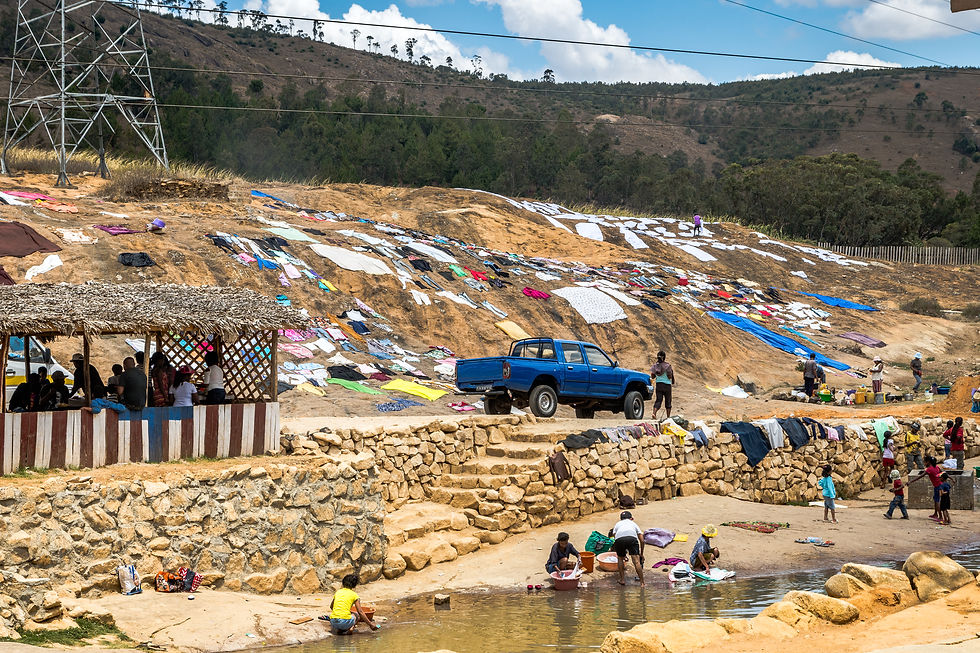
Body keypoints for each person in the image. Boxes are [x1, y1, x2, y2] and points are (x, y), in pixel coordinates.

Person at [610, 510, 645, 586]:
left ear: (621, 519)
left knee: (620, 558)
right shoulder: (633, 524)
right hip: (632, 538)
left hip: (619, 540)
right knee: (636, 561)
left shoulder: (617, 524)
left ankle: (622, 580)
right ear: (631, 518)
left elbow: (616, 538)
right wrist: (641, 554)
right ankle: (642, 583)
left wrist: (623, 554)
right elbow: (642, 540)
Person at [650, 351, 674, 418]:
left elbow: (652, 376)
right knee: (668, 401)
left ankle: (654, 413)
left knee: (658, 400)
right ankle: (668, 417)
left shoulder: (655, 366)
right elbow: (670, 376)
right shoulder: (667, 366)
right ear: (664, 357)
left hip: (659, 385)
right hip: (667, 386)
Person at [924, 456, 943, 521]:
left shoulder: (929, 469)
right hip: (940, 485)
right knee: (935, 500)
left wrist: (911, 481)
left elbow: (920, 476)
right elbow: (943, 473)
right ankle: (935, 514)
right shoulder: (936, 467)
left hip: (937, 486)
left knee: (937, 501)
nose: (924, 463)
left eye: (925, 462)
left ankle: (940, 516)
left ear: (928, 462)